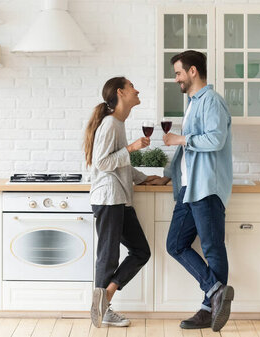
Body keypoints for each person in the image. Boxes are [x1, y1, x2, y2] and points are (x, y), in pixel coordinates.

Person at [162, 50, 234, 331]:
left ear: (193, 71)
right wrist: (168, 175)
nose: (176, 78)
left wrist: (181, 138)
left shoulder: (212, 101)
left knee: (212, 248)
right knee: (175, 244)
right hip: (188, 189)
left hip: (206, 187)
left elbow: (216, 139)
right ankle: (215, 290)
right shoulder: (192, 103)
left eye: (178, 72)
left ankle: (208, 308)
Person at [84, 76, 160, 328]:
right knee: (108, 255)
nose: (137, 90)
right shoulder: (110, 124)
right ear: (120, 92)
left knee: (141, 251)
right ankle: (103, 309)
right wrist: (132, 148)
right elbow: (102, 163)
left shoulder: (117, 122)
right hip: (108, 198)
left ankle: (104, 297)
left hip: (120, 198)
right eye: (132, 87)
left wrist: (144, 177)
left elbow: (119, 166)